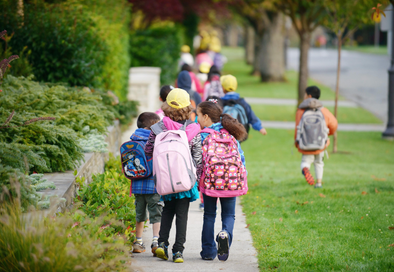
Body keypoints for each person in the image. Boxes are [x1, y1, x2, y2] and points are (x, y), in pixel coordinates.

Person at [144, 88, 202, 263]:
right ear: (188, 108)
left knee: (167, 211)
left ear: (166, 106)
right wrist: (195, 175)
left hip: (165, 179)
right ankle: (178, 251)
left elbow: (148, 150)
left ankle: (162, 244)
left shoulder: (158, 127)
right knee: (182, 215)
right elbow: (197, 157)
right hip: (184, 181)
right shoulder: (192, 129)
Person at [196, 100, 248, 261]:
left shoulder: (204, 134)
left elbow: (199, 162)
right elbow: (241, 158)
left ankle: (208, 252)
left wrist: (199, 179)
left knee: (209, 215)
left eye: (198, 115)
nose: (197, 119)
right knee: (229, 215)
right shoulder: (230, 133)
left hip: (211, 181)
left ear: (206, 117)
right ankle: (225, 235)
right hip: (231, 181)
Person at [129, 112, 163, 255]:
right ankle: (156, 241)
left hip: (137, 185)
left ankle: (138, 242)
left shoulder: (132, 140)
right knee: (156, 214)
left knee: (140, 215)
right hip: (153, 185)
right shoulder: (154, 140)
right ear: (153, 126)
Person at [294, 86, 338, 188]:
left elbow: (297, 128)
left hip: (306, 143)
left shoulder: (301, 111)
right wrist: (327, 135)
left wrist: (297, 142)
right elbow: (334, 124)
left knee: (305, 161)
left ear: (309, 96)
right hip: (320, 143)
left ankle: (305, 169)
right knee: (319, 162)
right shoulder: (323, 111)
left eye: (305, 95)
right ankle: (318, 183)